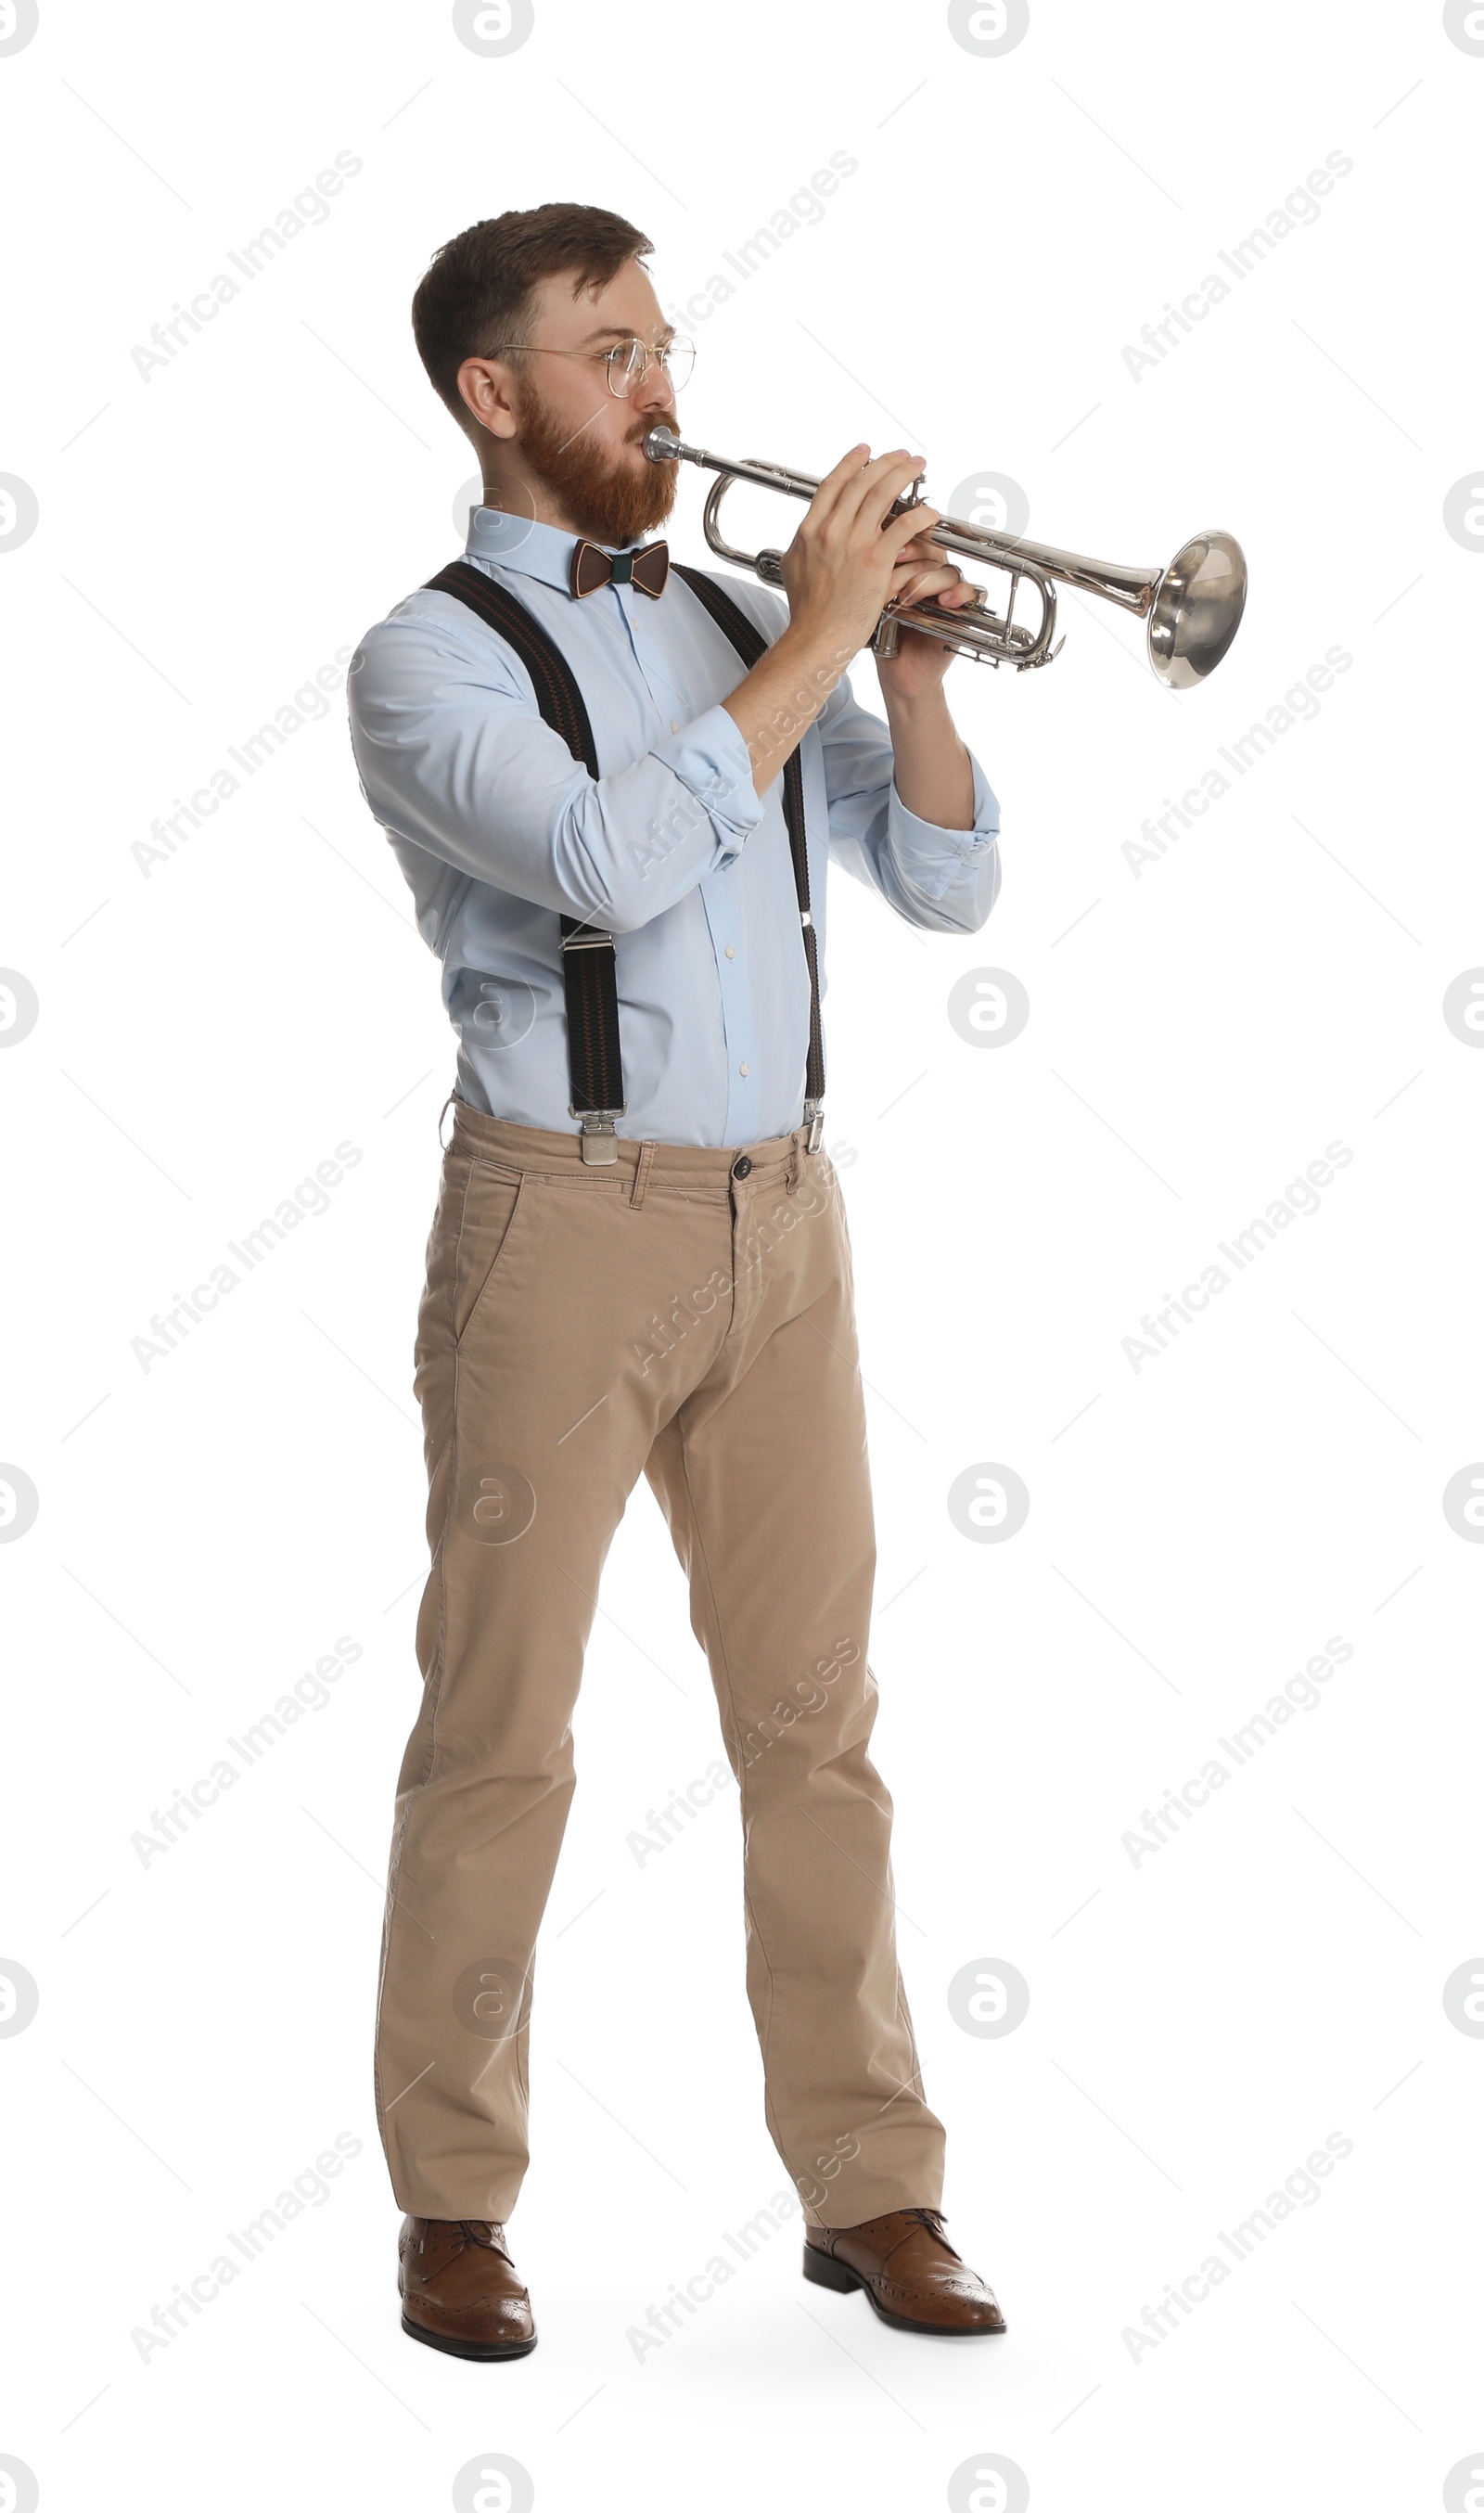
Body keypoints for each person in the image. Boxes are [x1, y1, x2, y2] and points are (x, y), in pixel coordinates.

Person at [347, 201, 1008, 2360]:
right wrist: (812, 637)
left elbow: (936, 876)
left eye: (660, 340)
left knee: (818, 1729)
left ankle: (873, 2183)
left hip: (782, 1221)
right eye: (608, 349)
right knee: (502, 1731)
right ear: (492, 390)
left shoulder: (732, 601)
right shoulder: (425, 657)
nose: (659, 382)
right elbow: (609, 869)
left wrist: (895, 664)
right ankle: (454, 2200)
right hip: (560, 1220)